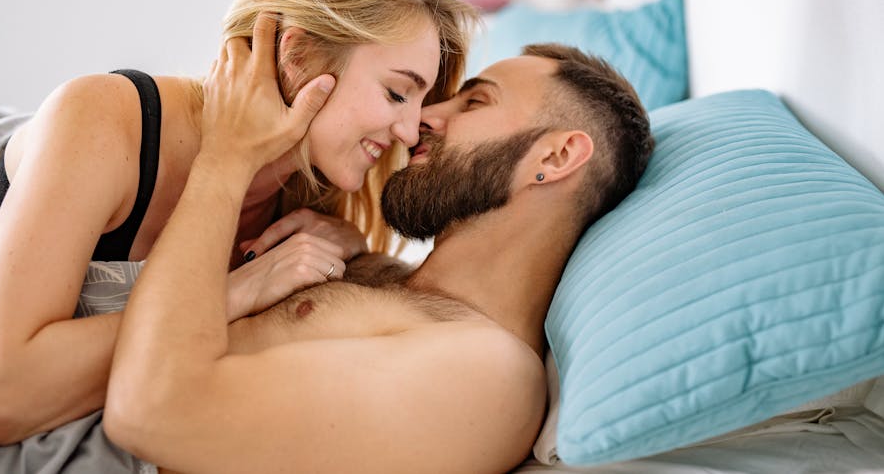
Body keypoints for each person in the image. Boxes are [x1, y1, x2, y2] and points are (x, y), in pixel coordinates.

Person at [0, 0, 478, 444]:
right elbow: (1, 396)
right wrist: (240, 290)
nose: (410, 132)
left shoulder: (309, 190)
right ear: (297, 56)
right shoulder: (102, 121)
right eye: (395, 93)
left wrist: (347, 245)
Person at [103, 25, 655, 473]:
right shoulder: (389, 278)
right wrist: (354, 255)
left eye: (474, 103)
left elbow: (150, 413)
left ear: (556, 158)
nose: (419, 124)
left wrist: (225, 159)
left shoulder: (488, 376)